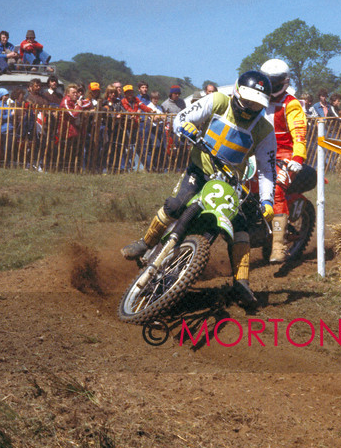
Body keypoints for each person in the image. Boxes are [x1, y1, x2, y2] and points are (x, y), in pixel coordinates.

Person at [121, 71, 277, 309]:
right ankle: (146, 242)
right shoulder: (217, 101)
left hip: (229, 183)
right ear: (236, 93)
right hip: (199, 170)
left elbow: (267, 170)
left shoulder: (264, 130)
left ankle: (242, 282)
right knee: (176, 204)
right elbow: (180, 119)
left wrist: (267, 202)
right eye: (247, 101)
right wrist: (186, 129)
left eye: (256, 104)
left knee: (241, 227)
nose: (250, 108)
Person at [260, 59, 309, 263]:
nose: (270, 85)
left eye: (274, 81)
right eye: (267, 81)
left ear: (284, 81)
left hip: (285, 155)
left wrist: (297, 157)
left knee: (277, 190)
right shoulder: (257, 99)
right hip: (259, 152)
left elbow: (299, 134)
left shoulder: (292, 104)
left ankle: (278, 246)